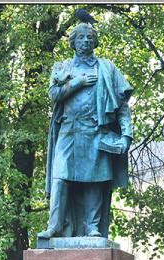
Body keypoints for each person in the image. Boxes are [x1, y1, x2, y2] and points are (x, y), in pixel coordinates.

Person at [38, 21, 133, 239]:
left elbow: (122, 106)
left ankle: (92, 227)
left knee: (94, 180)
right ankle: (55, 225)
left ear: (95, 42)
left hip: (95, 131)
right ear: (73, 42)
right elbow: (53, 95)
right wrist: (78, 82)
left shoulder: (106, 68)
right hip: (69, 131)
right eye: (81, 37)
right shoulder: (63, 68)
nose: (86, 41)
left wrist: (126, 135)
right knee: (60, 177)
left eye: (89, 37)